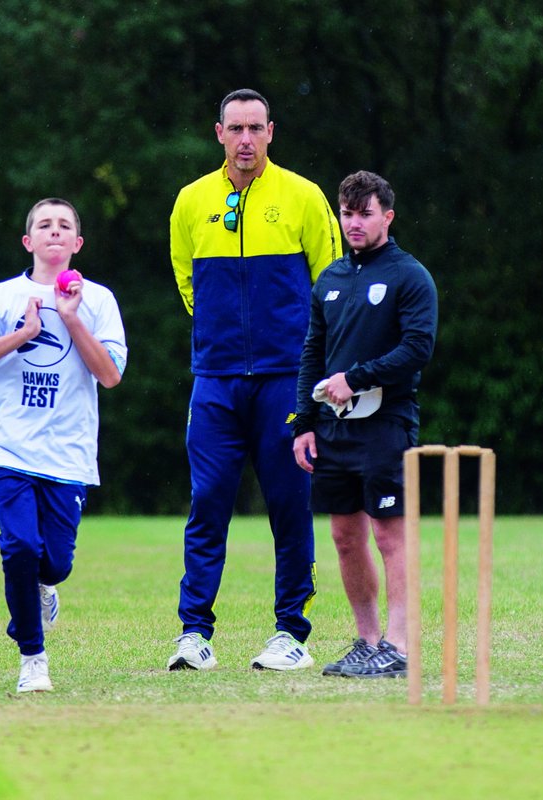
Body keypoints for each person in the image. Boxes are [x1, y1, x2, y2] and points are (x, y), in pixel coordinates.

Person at [167, 88, 340, 672]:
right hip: (215, 381)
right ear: (218, 132)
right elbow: (188, 285)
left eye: (255, 129)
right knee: (207, 504)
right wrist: (224, 338)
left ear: (272, 132)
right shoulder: (192, 201)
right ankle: (194, 634)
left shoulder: (303, 197)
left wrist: (305, 366)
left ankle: (291, 632)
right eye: (234, 129)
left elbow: (330, 288)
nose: (245, 140)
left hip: (285, 383)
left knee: (289, 506)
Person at [0, 198, 127, 693]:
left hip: (68, 455)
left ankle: (41, 589)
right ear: (28, 242)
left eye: (64, 225)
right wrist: (24, 333)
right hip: (9, 448)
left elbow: (111, 375)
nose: (54, 232)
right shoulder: (1, 298)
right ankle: (33, 657)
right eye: (44, 225)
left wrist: (71, 320)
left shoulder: (98, 301)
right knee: (20, 547)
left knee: (55, 563)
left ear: (77, 243)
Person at [291, 171, 438, 678]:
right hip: (333, 429)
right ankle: (368, 639)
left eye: (365, 214)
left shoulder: (409, 275)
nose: (354, 223)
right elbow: (313, 352)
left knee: (389, 535)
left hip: (386, 423)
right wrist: (303, 422)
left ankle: (398, 646)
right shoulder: (329, 279)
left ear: (387, 216)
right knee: (345, 536)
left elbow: (417, 350)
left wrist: (355, 378)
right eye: (347, 214)